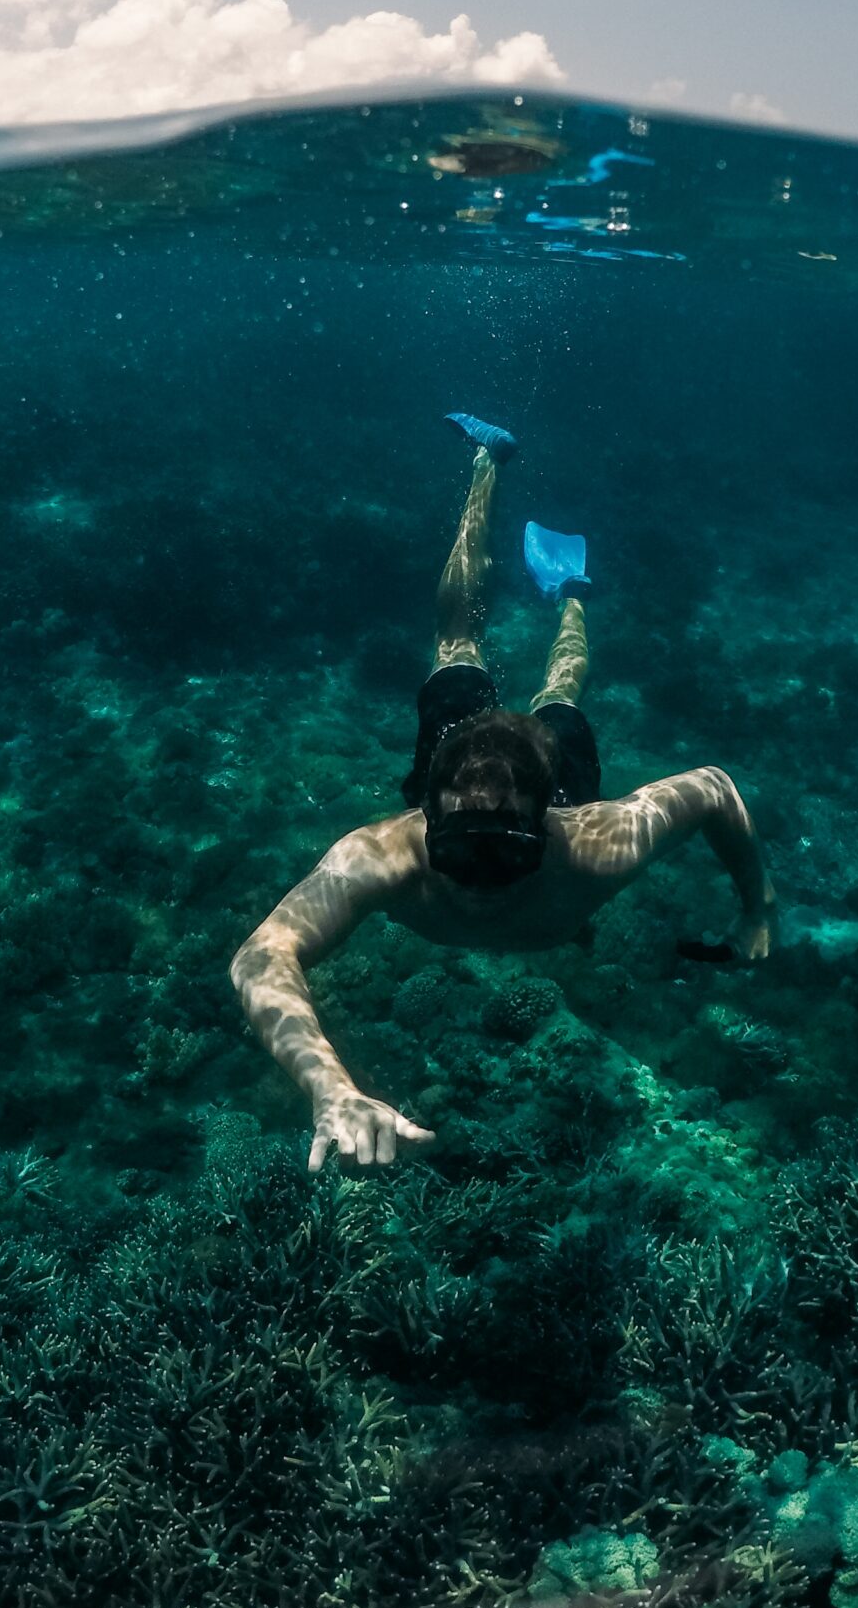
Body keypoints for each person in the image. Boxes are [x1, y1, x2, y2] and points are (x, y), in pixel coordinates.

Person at [229, 413, 775, 1172]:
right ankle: (491, 460)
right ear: (426, 812)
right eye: (460, 848)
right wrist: (332, 1089)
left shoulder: (593, 841)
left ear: (548, 822)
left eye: (503, 850)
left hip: (538, 782)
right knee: (456, 632)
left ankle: (570, 591)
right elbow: (261, 956)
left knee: (563, 686)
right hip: (470, 769)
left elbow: (715, 788)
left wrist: (757, 907)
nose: (480, 878)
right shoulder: (384, 855)